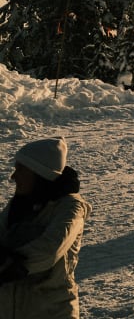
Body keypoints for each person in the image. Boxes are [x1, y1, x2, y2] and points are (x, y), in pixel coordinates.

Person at [0, 136, 92, 318]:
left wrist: (13, 264)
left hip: (51, 311)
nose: (13, 176)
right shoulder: (18, 205)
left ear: (39, 173)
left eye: (21, 169)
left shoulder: (70, 207)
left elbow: (50, 249)